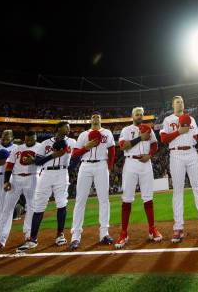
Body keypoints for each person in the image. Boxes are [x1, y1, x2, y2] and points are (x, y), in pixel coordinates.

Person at [160, 96, 198, 243]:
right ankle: (178, 227)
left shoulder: (190, 119)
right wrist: (179, 132)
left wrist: (186, 137)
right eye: (177, 102)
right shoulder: (167, 120)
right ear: (172, 105)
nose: (180, 103)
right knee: (177, 191)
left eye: (182, 101)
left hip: (191, 153)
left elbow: (196, 136)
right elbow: (164, 139)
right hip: (176, 154)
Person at [16, 122, 76, 252]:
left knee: (61, 203)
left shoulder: (72, 142)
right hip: (46, 173)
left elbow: (76, 158)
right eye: (67, 127)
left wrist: (69, 169)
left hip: (62, 172)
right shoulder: (45, 143)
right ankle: (33, 238)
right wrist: (53, 155)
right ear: (59, 128)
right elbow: (37, 161)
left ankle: (60, 234)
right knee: (39, 205)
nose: (69, 129)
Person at [114, 107, 162, 249]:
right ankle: (124, 233)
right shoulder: (126, 130)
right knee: (127, 198)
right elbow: (122, 146)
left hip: (146, 163)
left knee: (148, 197)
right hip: (130, 163)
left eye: (141, 114)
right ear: (132, 116)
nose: (139, 116)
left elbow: (154, 145)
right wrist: (140, 138)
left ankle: (152, 229)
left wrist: (150, 155)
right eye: (137, 114)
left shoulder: (148, 128)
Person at [69, 112, 116, 250]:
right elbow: (75, 154)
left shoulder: (107, 132)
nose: (95, 119)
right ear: (90, 120)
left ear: (101, 120)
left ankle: (104, 233)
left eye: (98, 117)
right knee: (80, 200)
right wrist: (86, 147)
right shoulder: (83, 135)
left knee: (104, 199)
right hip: (85, 165)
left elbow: (112, 151)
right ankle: (75, 236)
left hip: (102, 165)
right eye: (93, 117)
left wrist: (109, 168)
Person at [0, 131, 43, 251]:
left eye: (32, 138)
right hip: (16, 178)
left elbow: (43, 161)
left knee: (32, 207)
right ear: (25, 137)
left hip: (33, 177)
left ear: (35, 138)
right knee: (6, 209)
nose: (29, 140)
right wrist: (6, 181)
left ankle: (29, 235)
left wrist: (34, 160)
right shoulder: (18, 148)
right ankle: (0, 239)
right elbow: (9, 164)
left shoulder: (40, 147)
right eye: (27, 138)